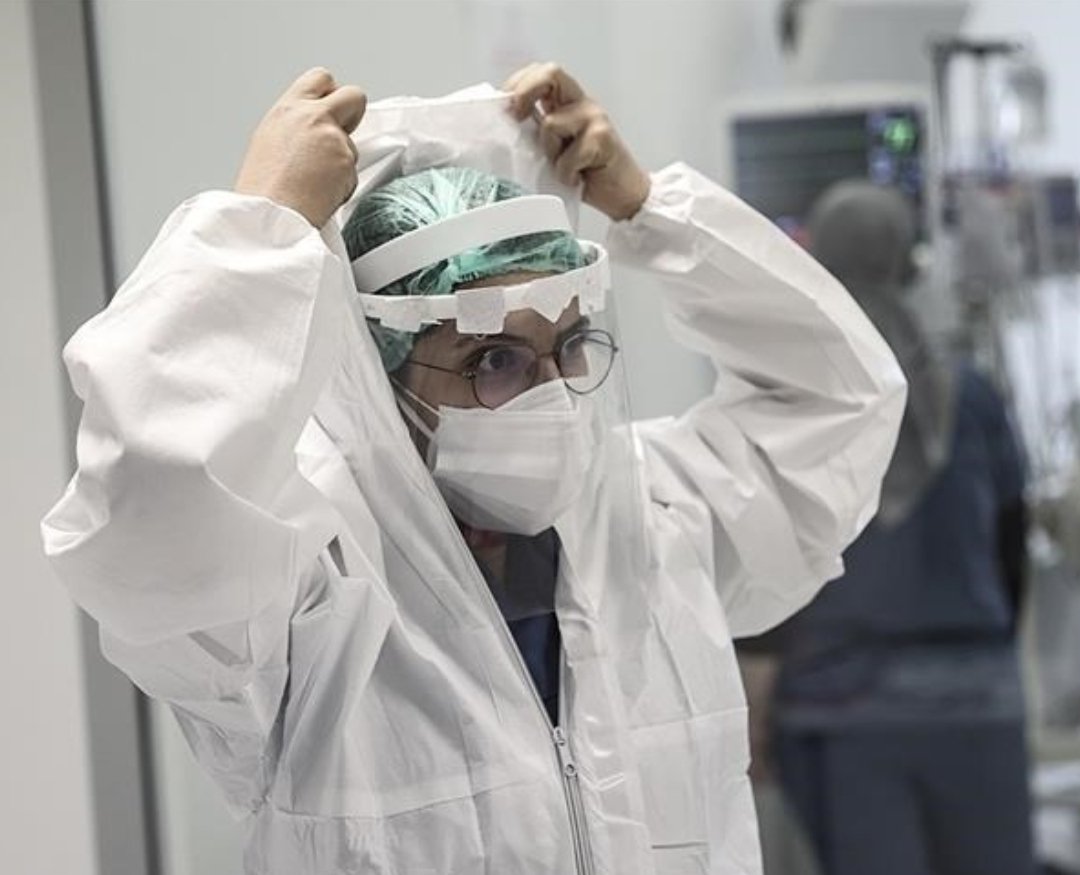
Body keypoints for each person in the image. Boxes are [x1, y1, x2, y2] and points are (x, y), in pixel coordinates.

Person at [41, 65, 905, 875]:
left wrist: (647, 209)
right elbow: (156, 513)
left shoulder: (651, 519)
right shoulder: (311, 599)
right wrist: (260, 230)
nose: (552, 394)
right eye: (495, 359)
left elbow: (840, 403)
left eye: (570, 345)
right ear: (384, 376)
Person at [768, 180, 1036, 875]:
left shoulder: (795, 393)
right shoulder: (970, 393)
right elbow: (1012, 539)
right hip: (976, 701)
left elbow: (762, 553)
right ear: (907, 259)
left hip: (842, 709)